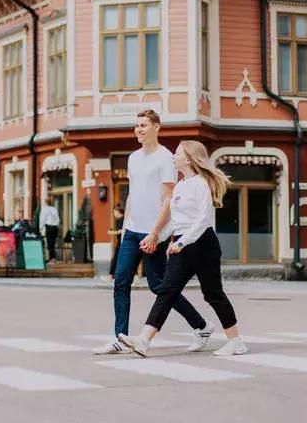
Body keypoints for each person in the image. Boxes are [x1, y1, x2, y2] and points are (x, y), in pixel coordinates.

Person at [93, 110, 212, 355]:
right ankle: (120, 337)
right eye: (136, 125)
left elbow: (169, 199)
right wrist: (126, 226)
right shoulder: (133, 158)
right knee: (121, 281)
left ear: (157, 127)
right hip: (132, 231)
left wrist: (155, 233)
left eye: (144, 125)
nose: (139, 129)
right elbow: (134, 194)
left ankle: (201, 325)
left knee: (159, 286)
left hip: (152, 233)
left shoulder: (166, 158)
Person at [119, 140, 246, 358]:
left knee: (212, 294)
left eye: (177, 153)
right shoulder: (180, 185)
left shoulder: (201, 183)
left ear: (188, 158)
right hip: (182, 244)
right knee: (166, 291)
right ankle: (143, 340)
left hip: (203, 244)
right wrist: (158, 238)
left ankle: (236, 341)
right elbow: (177, 221)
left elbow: (202, 220)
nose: (173, 157)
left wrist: (181, 242)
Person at [40, 197, 60, 263]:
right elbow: (58, 219)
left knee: (49, 243)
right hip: (55, 228)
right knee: (53, 243)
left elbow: (42, 219)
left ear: (45, 202)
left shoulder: (44, 209)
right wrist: (57, 226)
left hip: (49, 227)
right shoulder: (54, 209)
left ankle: (51, 259)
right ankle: (53, 258)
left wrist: (41, 228)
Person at [108, 202, 125, 276]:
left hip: (123, 242)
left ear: (118, 212)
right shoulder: (117, 220)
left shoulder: (122, 220)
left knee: (116, 259)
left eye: (114, 212)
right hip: (120, 242)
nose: (113, 213)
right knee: (117, 259)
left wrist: (112, 232)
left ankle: (110, 276)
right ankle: (111, 276)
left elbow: (121, 231)